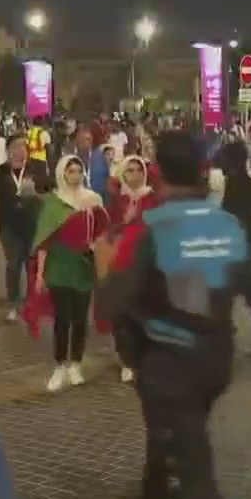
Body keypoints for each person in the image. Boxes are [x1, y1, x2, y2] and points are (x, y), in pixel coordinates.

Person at [94, 131, 251, 499]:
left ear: (158, 172)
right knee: (171, 441)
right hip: (216, 363)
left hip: (167, 366)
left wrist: (106, 265)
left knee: (197, 474)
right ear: (204, 172)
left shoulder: (152, 228)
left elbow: (109, 307)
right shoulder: (228, 226)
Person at [26, 155, 109, 392]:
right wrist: (40, 274)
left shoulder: (93, 200)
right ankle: (60, 365)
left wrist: (96, 251)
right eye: (70, 171)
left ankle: (76, 363)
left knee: (80, 318)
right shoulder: (53, 203)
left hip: (83, 266)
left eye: (78, 170)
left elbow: (101, 232)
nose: (75, 175)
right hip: (58, 266)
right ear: (62, 173)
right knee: (62, 319)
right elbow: (44, 241)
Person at [0, 137, 52, 323]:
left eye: (24, 146)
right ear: (9, 150)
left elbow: (50, 196)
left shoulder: (37, 169)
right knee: (13, 263)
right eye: (17, 146)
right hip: (8, 225)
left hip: (32, 223)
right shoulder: (0, 173)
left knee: (31, 264)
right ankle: (13, 303)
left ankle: (30, 303)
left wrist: (37, 195)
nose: (21, 150)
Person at [106, 155, 161, 383]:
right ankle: (127, 360)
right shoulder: (116, 202)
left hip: (148, 266)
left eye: (139, 170)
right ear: (122, 174)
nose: (135, 175)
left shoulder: (154, 199)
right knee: (123, 318)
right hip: (121, 265)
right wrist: (124, 222)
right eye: (130, 170)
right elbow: (108, 233)